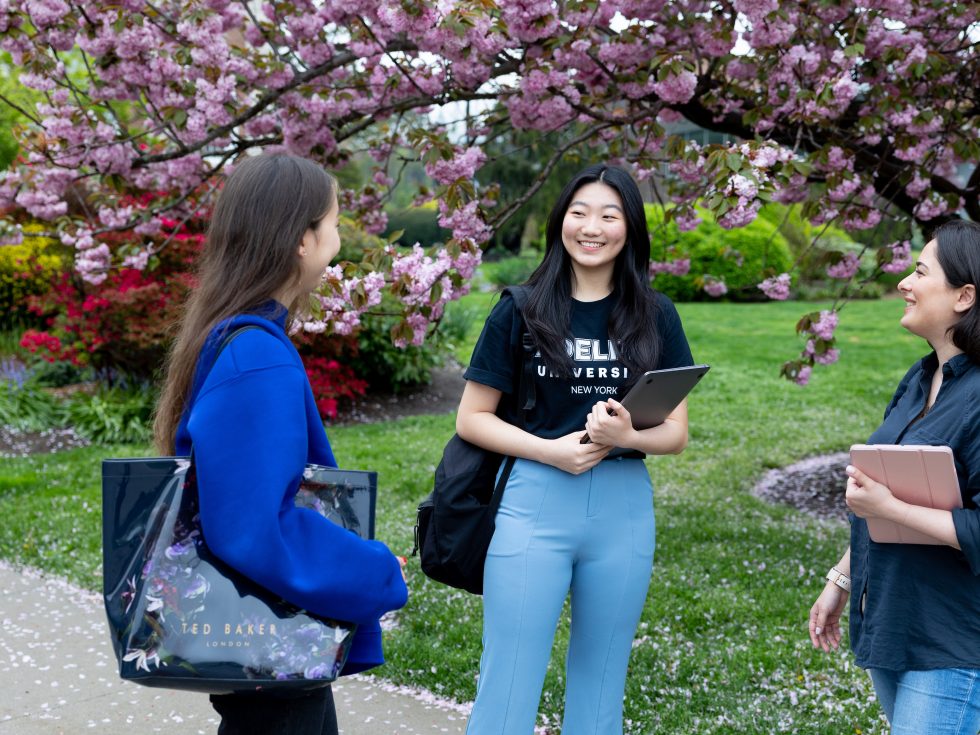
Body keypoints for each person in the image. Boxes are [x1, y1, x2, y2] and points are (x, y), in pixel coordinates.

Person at [153, 154, 408, 735]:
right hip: (274, 651)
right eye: (335, 225)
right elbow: (255, 529)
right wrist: (371, 569)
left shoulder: (236, 337)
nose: (339, 242)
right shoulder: (256, 354)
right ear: (301, 239)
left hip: (268, 655)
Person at [457, 164, 695, 734]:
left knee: (602, 681)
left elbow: (676, 432)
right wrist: (549, 451)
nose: (592, 227)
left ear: (629, 229)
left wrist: (627, 438)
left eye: (609, 216)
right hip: (534, 502)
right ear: (561, 221)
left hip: (623, 510)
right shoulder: (520, 307)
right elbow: (472, 418)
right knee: (509, 680)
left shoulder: (655, 314)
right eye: (579, 212)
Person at [808, 220, 980, 734]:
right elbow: (883, 490)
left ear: (965, 296)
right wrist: (842, 578)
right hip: (893, 621)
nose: (904, 282)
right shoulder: (920, 377)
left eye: (920, 271)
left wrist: (891, 510)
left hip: (951, 639)